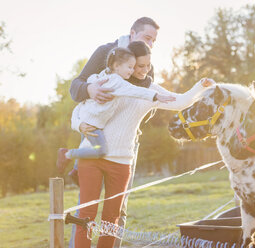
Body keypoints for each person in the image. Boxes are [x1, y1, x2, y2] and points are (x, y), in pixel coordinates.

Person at [72, 40, 215, 247]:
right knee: (85, 215)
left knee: (112, 219)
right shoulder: (106, 81)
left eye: (148, 65)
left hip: (121, 162)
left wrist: (199, 86)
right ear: (127, 63)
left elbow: (181, 102)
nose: (144, 70)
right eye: (139, 66)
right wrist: (79, 125)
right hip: (91, 157)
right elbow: (80, 108)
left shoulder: (151, 91)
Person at [67, 17, 160, 248]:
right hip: (95, 134)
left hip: (126, 144)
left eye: (154, 40)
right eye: (147, 37)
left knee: (119, 207)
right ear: (132, 33)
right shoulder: (106, 52)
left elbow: (147, 106)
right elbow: (75, 87)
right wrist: (90, 89)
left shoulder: (147, 69)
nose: (151, 44)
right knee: (87, 206)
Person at [56, 46, 174, 172]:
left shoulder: (99, 76)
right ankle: (68, 155)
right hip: (93, 125)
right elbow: (135, 91)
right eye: (129, 67)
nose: (132, 70)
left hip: (89, 120)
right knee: (100, 151)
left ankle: (75, 169)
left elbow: (84, 98)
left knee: (96, 149)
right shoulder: (117, 82)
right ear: (117, 66)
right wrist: (156, 95)